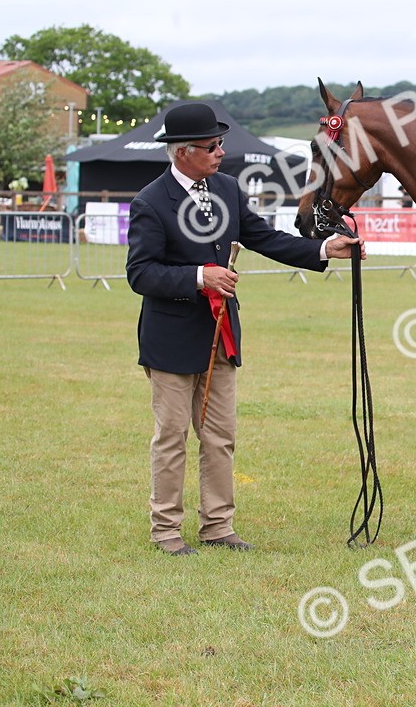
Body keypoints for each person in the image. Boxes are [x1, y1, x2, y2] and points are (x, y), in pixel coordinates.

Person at [126, 102, 363, 556]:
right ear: (182, 153)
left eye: (221, 144)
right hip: (172, 340)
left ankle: (217, 526)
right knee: (172, 437)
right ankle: (166, 531)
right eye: (211, 146)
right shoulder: (150, 202)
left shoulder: (229, 189)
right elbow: (140, 273)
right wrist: (200, 276)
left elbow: (265, 238)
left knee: (220, 436)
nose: (220, 152)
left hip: (221, 335)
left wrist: (323, 249)